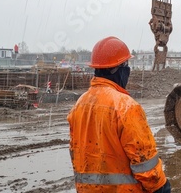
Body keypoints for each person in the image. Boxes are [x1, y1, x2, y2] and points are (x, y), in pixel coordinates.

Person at [67, 36, 171, 193]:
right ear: (116, 69)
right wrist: (161, 187)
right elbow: (144, 162)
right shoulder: (126, 106)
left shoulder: (79, 105)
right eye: (126, 65)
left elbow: (76, 153)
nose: (128, 70)